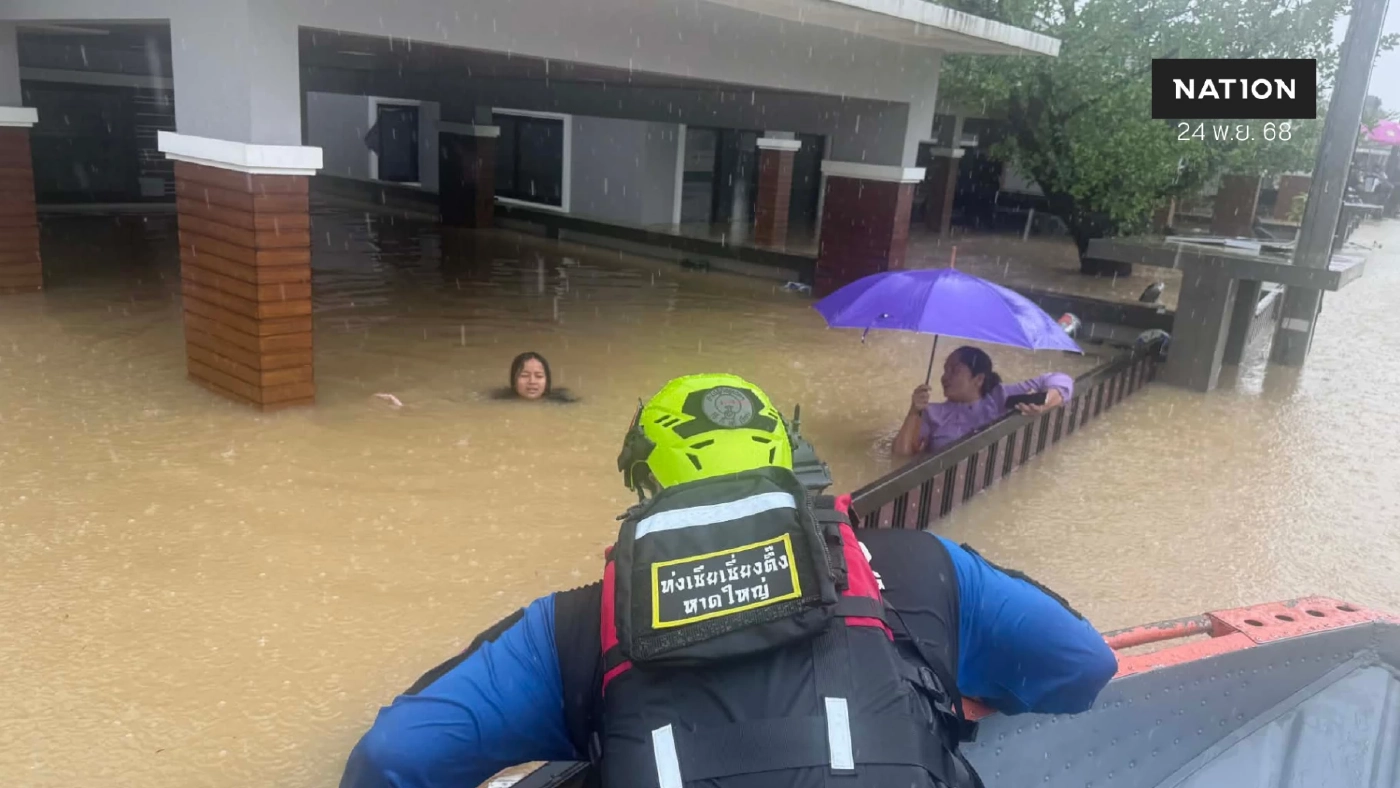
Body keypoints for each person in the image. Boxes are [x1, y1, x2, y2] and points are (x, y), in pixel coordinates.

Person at [340, 374, 1116, 788]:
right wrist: (955, 688)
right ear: (789, 461)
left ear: (645, 488)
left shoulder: (575, 630)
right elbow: (1083, 667)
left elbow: (396, 757)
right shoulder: (921, 567)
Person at [893, 346, 1073, 457]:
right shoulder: (931, 413)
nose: (944, 377)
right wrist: (913, 412)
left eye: (954, 370)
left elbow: (1062, 380)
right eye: (945, 370)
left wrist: (1046, 404)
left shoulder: (1001, 397)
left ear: (978, 379)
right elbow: (900, 457)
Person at [495, 351, 577, 402]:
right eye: (525, 375)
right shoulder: (499, 401)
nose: (532, 381)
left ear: (547, 381)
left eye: (539, 376)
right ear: (514, 380)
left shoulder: (562, 403)